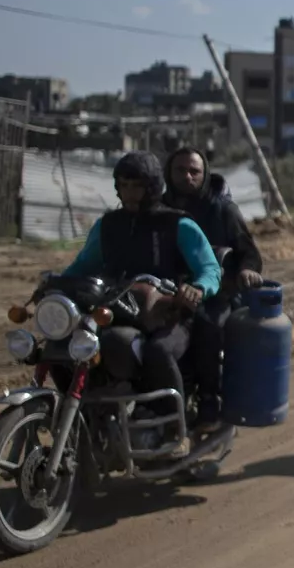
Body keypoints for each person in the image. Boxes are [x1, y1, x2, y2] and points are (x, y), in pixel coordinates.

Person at [63, 152, 222, 431]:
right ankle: (85, 418)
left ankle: (175, 429)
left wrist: (197, 288)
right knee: (69, 347)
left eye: (136, 185)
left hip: (170, 314)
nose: (129, 192)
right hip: (117, 312)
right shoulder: (108, 226)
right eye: (123, 185)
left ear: (152, 187)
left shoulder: (177, 224)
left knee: (158, 351)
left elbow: (210, 269)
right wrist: (56, 285)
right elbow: (81, 267)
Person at [163, 147, 265, 431]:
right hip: (170, 292)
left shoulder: (222, 209)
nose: (187, 176)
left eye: (194, 171)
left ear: (204, 173)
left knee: (206, 325)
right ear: (168, 174)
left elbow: (250, 252)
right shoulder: (160, 210)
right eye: (180, 170)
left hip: (217, 294)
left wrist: (246, 270)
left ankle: (209, 400)